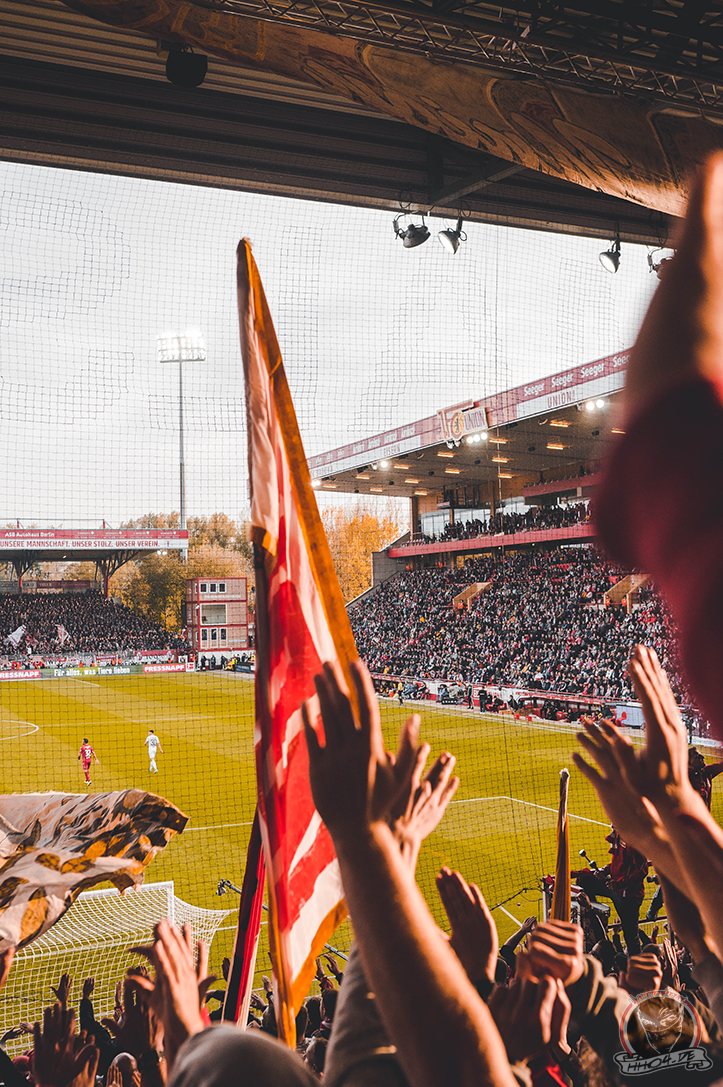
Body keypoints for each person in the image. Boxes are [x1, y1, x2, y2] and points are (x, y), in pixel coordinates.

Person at [571, 826, 647, 954]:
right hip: (614, 887)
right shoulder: (618, 835)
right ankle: (594, 923)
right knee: (585, 881)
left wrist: (620, 884)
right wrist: (605, 870)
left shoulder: (633, 841)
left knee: (630, 937)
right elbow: (618, 864)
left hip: (629, 896)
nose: (611, 823)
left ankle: (635, 968)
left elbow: (642, 870)